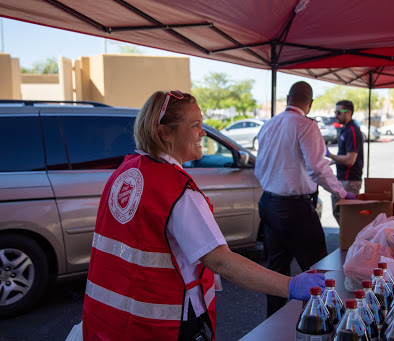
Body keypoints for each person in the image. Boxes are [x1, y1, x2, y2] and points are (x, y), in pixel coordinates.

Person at [81, 90, 325, 341]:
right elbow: (221, 261)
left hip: (110, 321)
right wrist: (290, 285)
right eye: (195, 125)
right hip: (160, 325)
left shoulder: (125, 172)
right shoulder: (176, 191)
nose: (203, 132)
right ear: (164, 132)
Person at [255, 81, 356, 317]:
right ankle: (326, 320)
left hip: (269, 203)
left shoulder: (269, 125)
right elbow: (318, 169)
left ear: (289, 97)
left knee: (276, 272)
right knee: (321, 268)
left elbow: (260, 167)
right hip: (295, 208)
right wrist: (341, 192)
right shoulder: (306, 125)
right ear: (310, 104)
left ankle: (274, 326)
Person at [326, 100, 364, 224]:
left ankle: (349, 241)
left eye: (339, 112)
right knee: (341, 214)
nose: (336, 115)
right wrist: (330, 161)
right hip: (344, 179)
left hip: (349, 181)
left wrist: (330, 154)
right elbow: (344, 156)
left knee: (346, 216)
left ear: (348, 113)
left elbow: (350, 159)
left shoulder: (352, 130)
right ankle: (347, 241)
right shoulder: (345, 129)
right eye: (335, 112)